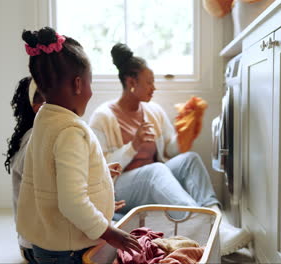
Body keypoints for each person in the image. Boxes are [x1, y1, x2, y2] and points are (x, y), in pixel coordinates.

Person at [89, 43, 252, 256]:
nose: (153, 87)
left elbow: (172, 151)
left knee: (190, 159)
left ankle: (218, 222)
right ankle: (205, 227)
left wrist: (188, 130)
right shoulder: (103, 116)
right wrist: (133, 146)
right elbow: (101, 168)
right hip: (120, 187)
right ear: (131, 82)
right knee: (154, 170)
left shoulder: (153, 111)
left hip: (154, 178)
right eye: (149, 82)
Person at [16, 27, 141, 264]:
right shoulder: (71, 131)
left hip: (49, 242)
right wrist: (110, 233)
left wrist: (101, 171)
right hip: (70, 250)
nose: (91, 91)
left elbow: (51, 175)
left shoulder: (44, 119)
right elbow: (72, 202)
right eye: (90, 82)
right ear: (77, 84)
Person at [5, 76, 43, 263]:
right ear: (38, 107)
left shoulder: (35, 136)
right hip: (36, 247)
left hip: (32, 242)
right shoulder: (35, 142)